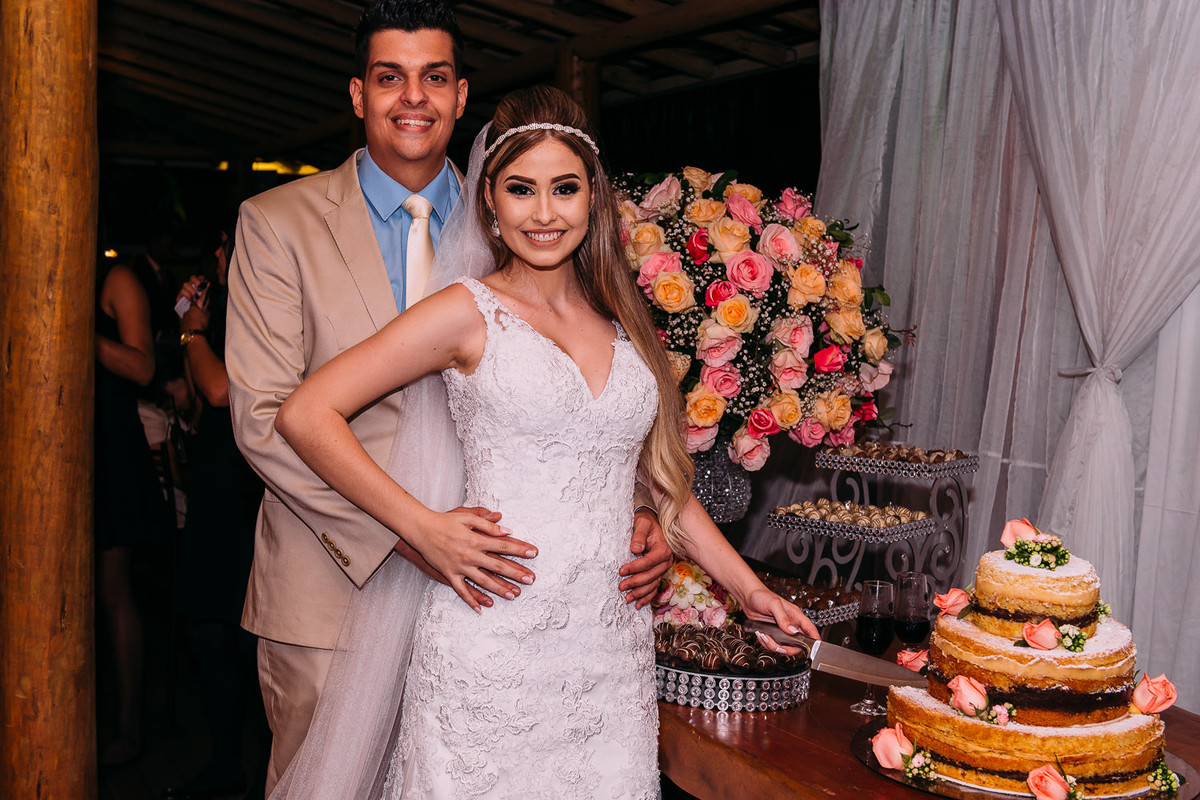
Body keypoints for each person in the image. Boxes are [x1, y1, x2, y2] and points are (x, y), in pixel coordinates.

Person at [273, 86, 820, 797]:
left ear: (592, 197)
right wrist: (424, 528)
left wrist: (749, 589)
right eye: (520, 190)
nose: (543, 211)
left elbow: (661, 485)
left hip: (609, 656)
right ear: (491, 205)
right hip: (491, 642)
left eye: (564, 188)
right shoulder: (466, 312)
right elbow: (307, 413)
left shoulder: (623, 325)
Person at [224, 1, 672, 793]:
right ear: (358, 94)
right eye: (389, 77)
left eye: (434, 77)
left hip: (504, 604)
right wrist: (410, 532)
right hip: (335, 586)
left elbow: (580, 406)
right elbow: (265, 419)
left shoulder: (525, 207)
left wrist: (630, 511)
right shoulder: (275, 222)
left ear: (462, 97)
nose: (413, 98)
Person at [170, 226, 271, 799]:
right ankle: (224, 760)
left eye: (227, 250)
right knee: (207, 631)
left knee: (244, 638)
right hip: (213, 484)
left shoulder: (264, 309)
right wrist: (191, 319)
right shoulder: (224, 309)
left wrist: (191, 334)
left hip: (246, 490)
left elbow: (218, 390)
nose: (219, 261)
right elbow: (192, 396)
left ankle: (258, 773)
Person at [94, 254, 165, 766]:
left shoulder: (114, 278)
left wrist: (77, 329)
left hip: (109, 450)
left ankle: (128, 730)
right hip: (52, 448)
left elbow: (143, 366)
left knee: (113, 593)